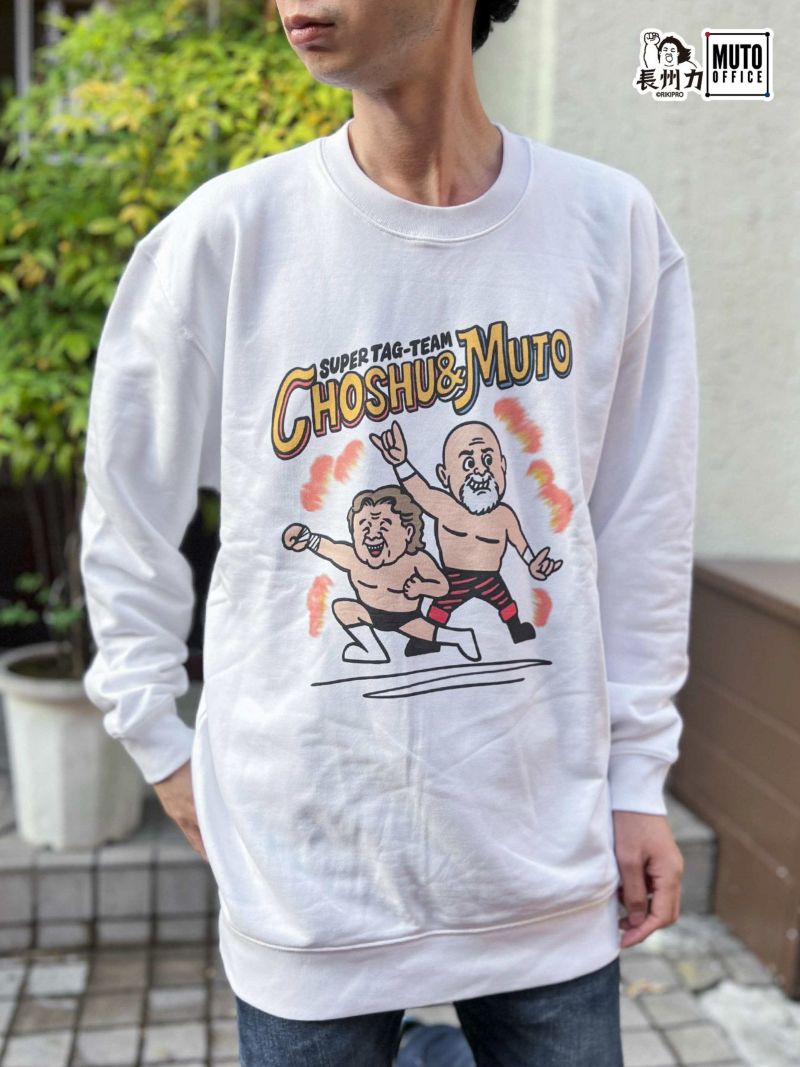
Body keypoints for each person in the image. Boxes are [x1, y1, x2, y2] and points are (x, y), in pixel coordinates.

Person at [79, 0, 699, 1063]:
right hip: (309, 874)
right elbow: (126, 507)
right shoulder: (228, 236)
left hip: (540, 866)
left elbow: (641, 524)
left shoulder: (610, 226)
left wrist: (637, 776)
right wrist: (160, 742)